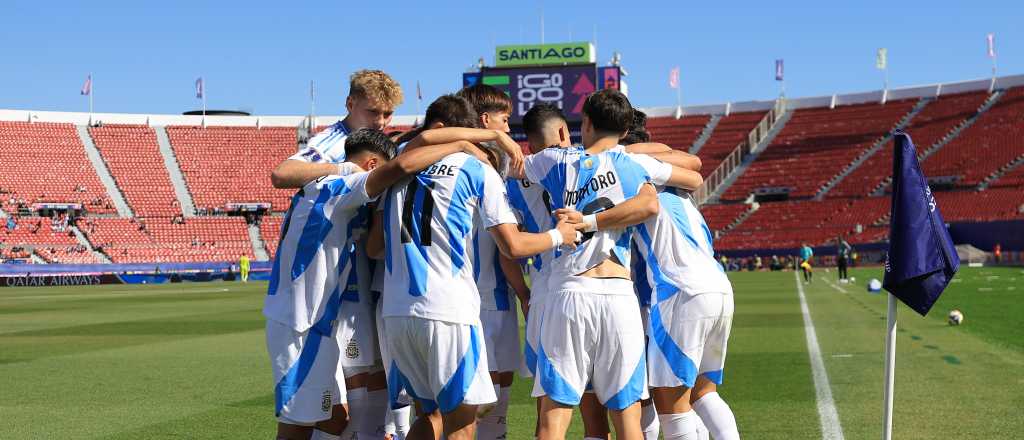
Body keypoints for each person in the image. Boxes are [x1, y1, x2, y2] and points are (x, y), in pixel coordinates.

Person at [369, 94, 582, 440]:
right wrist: (559, 235)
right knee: (462, 423)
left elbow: (374, 246)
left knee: (430, 416)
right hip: (447, 310)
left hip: (396, 311)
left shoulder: (403, 163)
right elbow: (512, 246)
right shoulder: (476, 169)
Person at [264, 128, 492, 440]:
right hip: (299, 324)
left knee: (334, 419)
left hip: (309, 321)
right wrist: (461, 146)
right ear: (372, 165)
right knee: (296, 429)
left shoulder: (318, 185)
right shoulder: (344, 185)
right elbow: (402, 165)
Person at [515, 89, 703, 440]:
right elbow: (689, 179)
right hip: (618, 296)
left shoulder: (556, 160)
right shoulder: (634, 164)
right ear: (626, 129)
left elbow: (513, 164)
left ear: (585, 122)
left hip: (568, 293)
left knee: (553, 418)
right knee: (628, 418)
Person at [456, 84, 519, 440]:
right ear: (485, 120)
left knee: (498, 392)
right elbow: (509, 246)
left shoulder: (497, 165)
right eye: (504, 120)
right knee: (478, 399)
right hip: (478, 299)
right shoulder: (471, 166)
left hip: (496, 296)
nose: (508, 129)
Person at [271, 70, 403, 189]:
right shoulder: (333, 142)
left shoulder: (377, 140)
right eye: (373, 112)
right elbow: (281, 174)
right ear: (350, 104)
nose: (381, 122)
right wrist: (346, 169)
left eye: (387, 114)